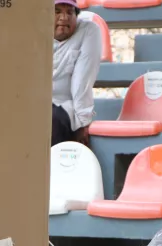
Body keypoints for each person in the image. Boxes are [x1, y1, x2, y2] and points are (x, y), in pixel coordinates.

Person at [53, 0, 102, 147]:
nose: (64, 18)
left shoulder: (88, 30)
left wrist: (83, 121)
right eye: (57, 11)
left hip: (63, 107)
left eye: (70, 12)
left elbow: (82, 81)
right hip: (32, 105)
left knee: (51, 120)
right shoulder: (31, 31)